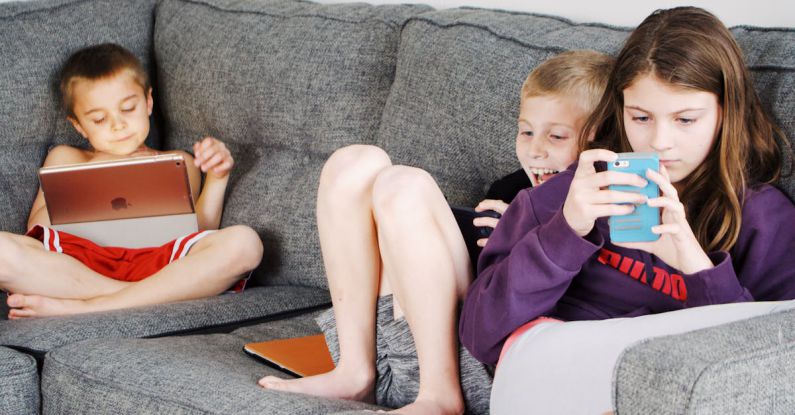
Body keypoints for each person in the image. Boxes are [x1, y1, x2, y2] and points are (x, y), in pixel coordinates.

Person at [458, 7, 795, 414]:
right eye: (641, 117)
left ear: (726, 112)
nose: (659, 141)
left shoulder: (762, 218)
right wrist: (565, 233)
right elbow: (481, 333)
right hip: (548, 375)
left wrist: (695, 266)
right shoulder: (565, 193)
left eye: (685, 119)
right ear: (620, 110)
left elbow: (767, 374)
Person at [258, 50, 613, 415]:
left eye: (556, 136)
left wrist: (527, 236)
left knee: (403, 185)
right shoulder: (510, 190)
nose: (535, 150)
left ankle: (440, 396)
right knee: (354, 162)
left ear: (598, 140)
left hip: (473, 358)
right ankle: (353, 372)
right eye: (526, 131)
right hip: (395, 338)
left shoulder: (600, 210)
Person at [0, 43, 263, 319]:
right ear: (79, 125)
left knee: (245, 243)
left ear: (148, 102)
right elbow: (38, 227)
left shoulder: (178, 162)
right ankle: (141, 295)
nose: (117, 125)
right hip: (78, 265)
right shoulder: (65, 157)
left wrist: (218, 177)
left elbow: (199, 229)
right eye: (99, 119)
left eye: (128, 108)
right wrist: (98, 167)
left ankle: (92, 305)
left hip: (159, 262)